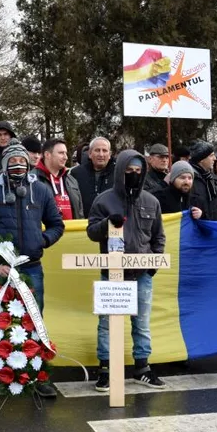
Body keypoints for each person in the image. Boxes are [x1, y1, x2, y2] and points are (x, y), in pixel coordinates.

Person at [0, 139, 64, 399]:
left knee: (35, 321)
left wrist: (41, 241)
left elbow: (57, 224)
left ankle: (38, 376)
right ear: (4, 164)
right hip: (0, 270)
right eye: (12, 161)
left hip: (31, 269)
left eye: (22, 160)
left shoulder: (42, 190)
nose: (18, 165)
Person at [87, 149, 166, 391]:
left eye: (138, 171)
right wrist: (107, 223)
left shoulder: (151, 201)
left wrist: (152, 267)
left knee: (141, 323)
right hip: (112, 273)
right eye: (129, 170)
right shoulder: (103, 200)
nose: (134, 174)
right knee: (107, 324)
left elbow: (158, 237)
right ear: (120, 171)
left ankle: (142, 367)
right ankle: (105, 369)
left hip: (141, 275)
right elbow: (92, 232)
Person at [33, 138, 83, 220]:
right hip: (46, 228)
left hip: (72, 228)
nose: (66, 157)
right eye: (61, 153)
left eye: (66, 153)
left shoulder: (71, 180)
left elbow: (80, 213)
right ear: (47, 155)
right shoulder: (32, 179)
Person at [71, 136, 116, 212]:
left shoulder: (119, 173)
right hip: (83, 219)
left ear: (109, 154)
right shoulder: (76, 173)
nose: (101, 154)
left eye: (104, 150)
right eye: (97, 150)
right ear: (90, 153)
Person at [188, 141, 217, 221]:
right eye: (211, 156)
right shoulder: (189, 180)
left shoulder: (215, 179)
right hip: (197, 226)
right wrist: (202, 214)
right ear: (201, 159)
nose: (215, 158)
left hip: (215, 226)